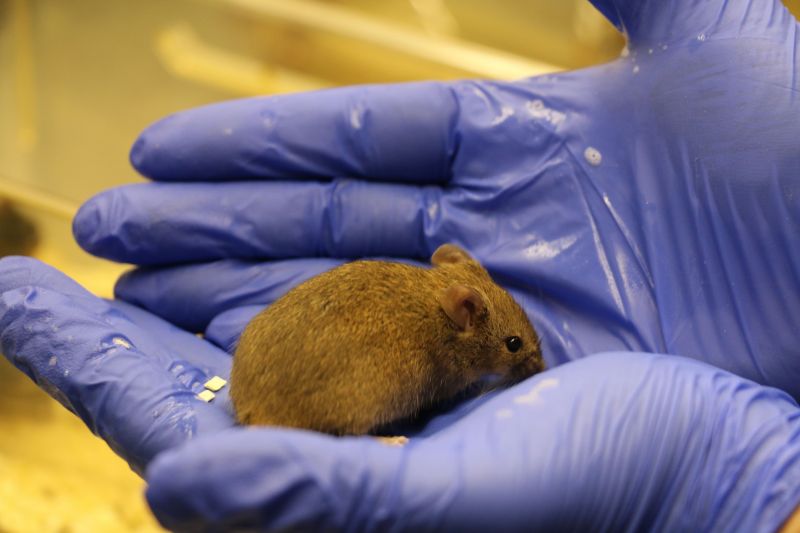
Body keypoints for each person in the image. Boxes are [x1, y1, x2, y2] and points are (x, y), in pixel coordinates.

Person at [1, 0, 799, 530]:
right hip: (297, 385)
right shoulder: (449, 336)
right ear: (464, 310)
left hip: (264, 373)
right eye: (514, 349)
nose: (519, 359)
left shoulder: (445, 296)